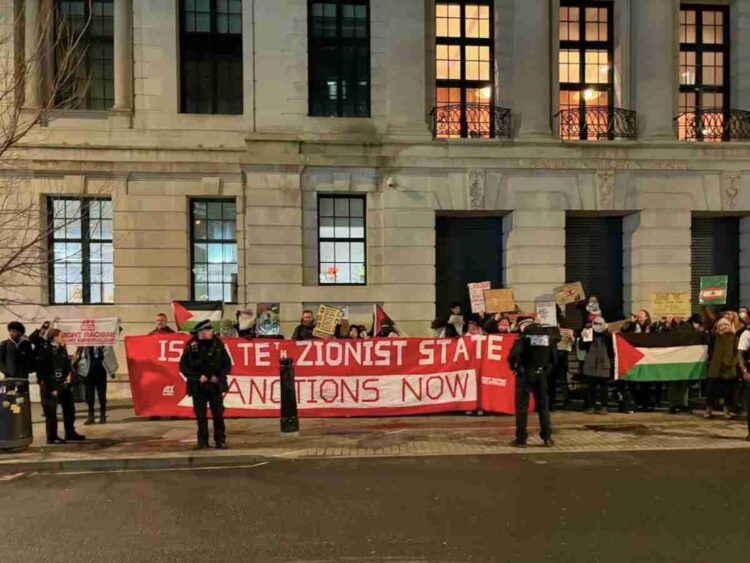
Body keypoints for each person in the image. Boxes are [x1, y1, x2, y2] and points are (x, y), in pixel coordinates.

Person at [179, 319, 231, 450]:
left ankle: (220, 441)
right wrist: (198, 377)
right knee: (200, 416)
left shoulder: (218, 345)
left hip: (214, 386)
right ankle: (202, 441)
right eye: (204, 331)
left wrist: (218, 377)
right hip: (198, 387)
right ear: (199, 332)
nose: (208, 333)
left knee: (218, 415)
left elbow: (227, 365)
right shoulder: (191, 346)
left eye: (208, 331)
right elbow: (183, 367)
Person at [508, 317, 556, 448]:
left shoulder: (523, 337)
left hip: (525, 375)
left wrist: (514, 368)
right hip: (541, 375)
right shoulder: (546, 337)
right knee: (543, 407)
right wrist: (546, 371)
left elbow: (512, 356)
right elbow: (554, 358)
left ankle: (521, 439)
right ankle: (547, 437)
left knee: (522, 408)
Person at [35, 329, 85, 444]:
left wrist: (73, 361)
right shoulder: (45, 350)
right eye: (62, 336)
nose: (64, 338)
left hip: (63, 384)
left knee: (69, 410)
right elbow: (43, 370)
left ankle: (70, 432)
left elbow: (65, 366)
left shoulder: (62, 349)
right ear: (54, 337)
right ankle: (52, 437)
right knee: (51, 413)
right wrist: (52, 388)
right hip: (50, 386)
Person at [578, 317, 614, 414]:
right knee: (591, 386)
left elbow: (612, 348)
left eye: (600, 324)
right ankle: (591, 406)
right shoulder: (589, 332)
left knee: (604, 387)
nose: (598, 326)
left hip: (604, 362)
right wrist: (582, 337)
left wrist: (607, 332)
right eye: (596, 324)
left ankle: (604, 406)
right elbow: (581, 347)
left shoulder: (607, 335)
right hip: (591, 362)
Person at [74, 346, 118, 425]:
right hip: (88, 372)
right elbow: (79, 356)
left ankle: (103, 415)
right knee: (89, 395)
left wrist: (112, 371)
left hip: (101, 371)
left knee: (102, 394)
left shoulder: (104, 345)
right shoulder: (84, 345)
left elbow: (110, 356)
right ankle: (91, 416)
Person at [705, 317, 739, 419]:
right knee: (711, 391)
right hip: (715, 368)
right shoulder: (714, 337)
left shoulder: (734, 338)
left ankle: (726, 412)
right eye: (721, 325)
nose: (723, 327)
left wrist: (732, 363)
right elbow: (709, 350)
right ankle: (708, 411)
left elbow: (737, 353)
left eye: (726, 325)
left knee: (728, 392)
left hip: (728, 369)